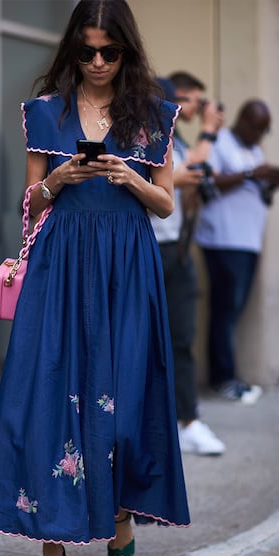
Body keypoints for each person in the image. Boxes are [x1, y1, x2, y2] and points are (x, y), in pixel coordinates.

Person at [0, 0, 190, 556]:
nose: (97, 62)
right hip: (61, 268)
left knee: (122, 405)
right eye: (86, 50)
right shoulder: (45, 112)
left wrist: (130, 178)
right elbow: (31, 201)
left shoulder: (151, 114)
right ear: (73, 48)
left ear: (127, 51)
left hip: (128, 267)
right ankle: (52, 550)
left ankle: (120, 506)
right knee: (47, 402)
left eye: (109, 51)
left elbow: (167, 204)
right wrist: (56, 182)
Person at [150, 74, 225, 456]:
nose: (185, 110)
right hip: (146, 250)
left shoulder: (174, 140)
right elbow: (183, 173)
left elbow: (189, 175)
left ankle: (188, 420)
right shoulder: (141, 139)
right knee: (143, 344)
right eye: (184, 101)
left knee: (180, 338)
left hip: (175, 250)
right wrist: (210, 133)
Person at [195, 99, 279, 403]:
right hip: (223, 240)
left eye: (265, 129)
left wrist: (270, 181)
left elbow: (258, 191)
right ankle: (222, 378)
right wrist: (250, 174)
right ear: (243, 120)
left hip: (247, 242)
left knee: (234, 310)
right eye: (258, 127)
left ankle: (228, 375)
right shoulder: (221, 143)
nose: (261, 134)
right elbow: (208, 182)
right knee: (225, 310)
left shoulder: (253, 150)